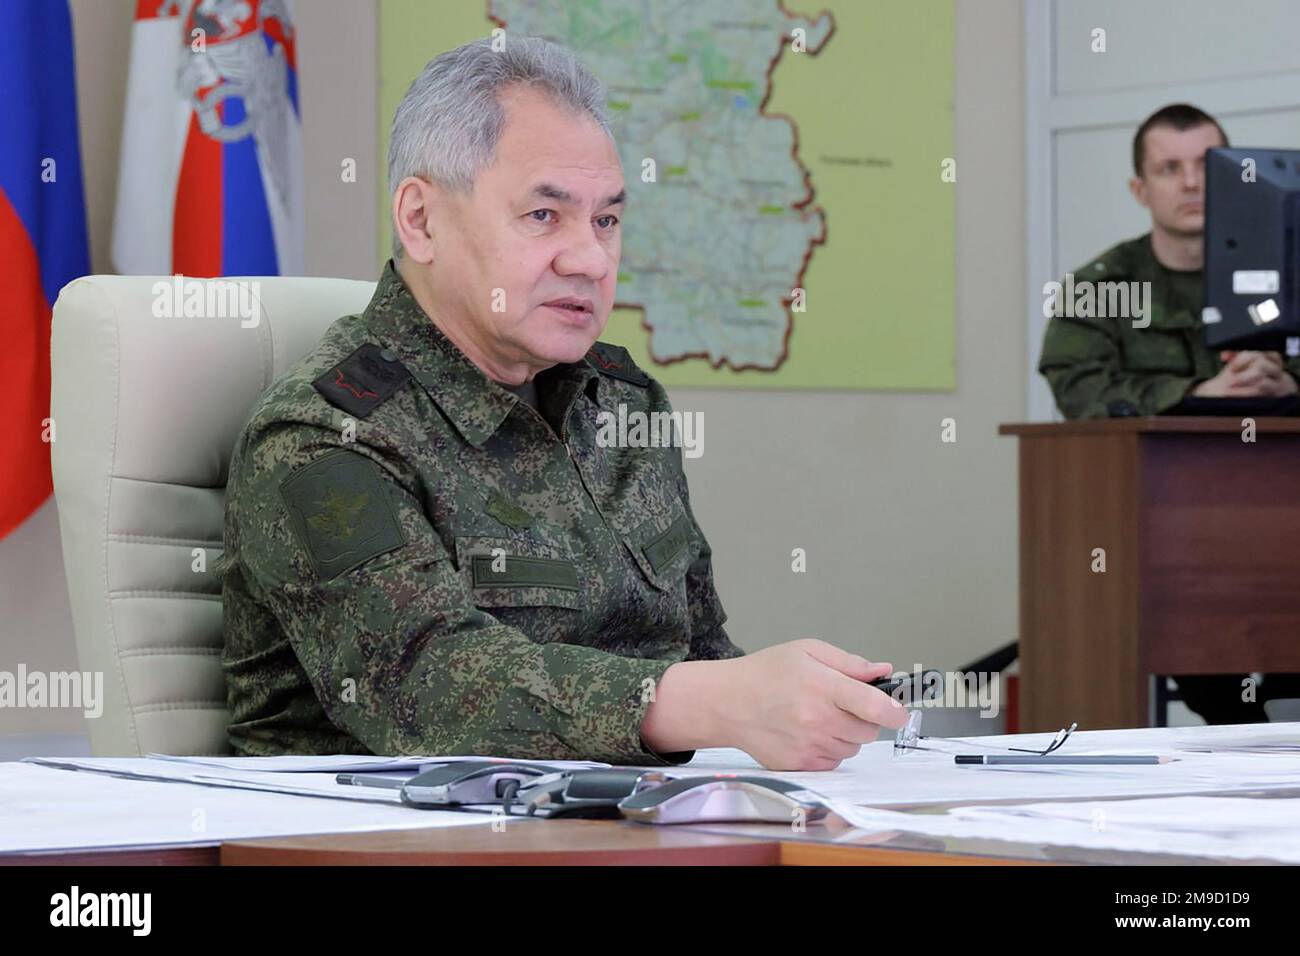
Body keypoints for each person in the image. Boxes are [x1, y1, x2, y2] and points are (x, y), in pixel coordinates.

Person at [220, 36, 905, 771]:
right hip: (387, 839)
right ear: (420, 220)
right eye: (545, 216)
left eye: (606, 220)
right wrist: (719, 701)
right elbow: (430, 689)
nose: (591, 259)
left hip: (632, 826)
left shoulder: (622, 402)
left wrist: (803, 702)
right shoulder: (325, 435)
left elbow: (693, 650)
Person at [1039, 103, 1300, 723]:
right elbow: (1078, 391)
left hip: (1280, 528)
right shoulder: (1101, 286)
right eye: (1169, 168)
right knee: (1199, 629)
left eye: (1207, 166)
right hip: (1162, 542)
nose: (1191, 183)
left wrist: (1283, 378)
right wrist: (1197, 396)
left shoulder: (1286, 274)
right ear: (1140, 187)